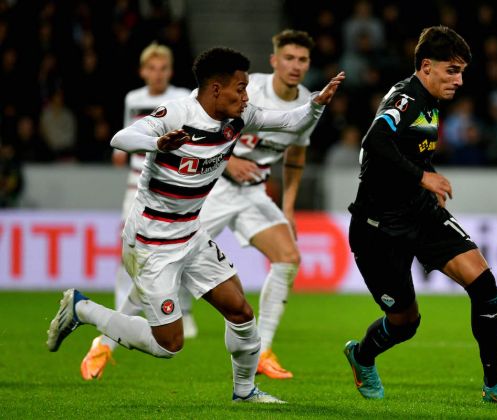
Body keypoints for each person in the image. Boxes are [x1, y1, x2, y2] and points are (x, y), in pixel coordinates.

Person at [46, 47, 344, 403]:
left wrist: (316, 104)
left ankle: (245, 391)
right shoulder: (177, 113)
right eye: (240, 87)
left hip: (191, 233)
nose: (246, 96)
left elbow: (288, 122)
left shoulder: (239, 116)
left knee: (240, 311)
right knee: (168, 345)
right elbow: (120, 138)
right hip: (151, 243)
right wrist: (156, 143)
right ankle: (82, 309)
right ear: (216, 89)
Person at [343, 26, 497, 404]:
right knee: (405, 324)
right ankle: (361, 355)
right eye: (452, 70)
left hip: (421, 213)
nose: (459, 80)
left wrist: (424, 180)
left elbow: (409, 149)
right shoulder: (405, 98)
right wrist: (422, 176)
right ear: (426, 66)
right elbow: (374, 142)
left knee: (484, 285)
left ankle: (494, 385)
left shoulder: (429, 100)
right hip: (379, 229)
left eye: (461, 72)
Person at [198, 29, 314, 380]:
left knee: (289, 258)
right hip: (213, 185)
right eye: (289, 58)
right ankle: (104, 342)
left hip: (253, 193)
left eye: (303, 60)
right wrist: (228, 161)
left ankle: (263, 351)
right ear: (274, 60)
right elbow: (201, 118)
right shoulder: (247, 88)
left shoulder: (307, 100)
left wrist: (289, 209)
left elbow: (296, 154)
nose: (295, 66)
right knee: (165, 261)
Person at [80, 42, 194, 382]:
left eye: (162, 68)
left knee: (180, 252)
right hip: (136, 188)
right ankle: (121, 318)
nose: (157, 74)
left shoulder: (182, 97)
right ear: (143, 71)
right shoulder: (133, 99)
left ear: (170, 71)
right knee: (128, 257)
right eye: (152, 68)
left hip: (171, 187)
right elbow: (128, 138)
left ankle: (181, 312)